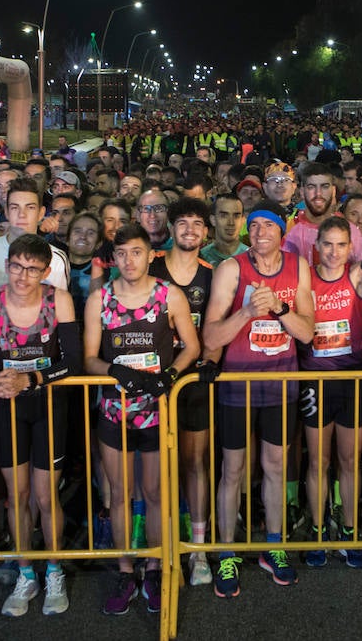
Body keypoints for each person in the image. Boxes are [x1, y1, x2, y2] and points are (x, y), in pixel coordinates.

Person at [0, 234, 80, 618]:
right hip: (9, 407)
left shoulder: (58, 299)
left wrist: (31, 380)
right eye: (16, 266)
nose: (23, 276)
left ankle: (55, 570)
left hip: (48, 406)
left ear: (45, 271)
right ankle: (26, 572)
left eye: (32, 269)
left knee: (46, 497)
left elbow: (73, 362)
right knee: (18, 496)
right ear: (7, 264)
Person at [202, 199, 315, 598]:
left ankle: (274, 545)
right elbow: (211, 338)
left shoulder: (297, 266)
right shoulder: (231, 269)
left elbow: (307, 333)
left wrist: (281, 307)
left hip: (279, 385)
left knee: (274, 465)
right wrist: (248, 311)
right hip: (237, 385)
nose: (261, 232)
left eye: (269, 225)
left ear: (282, 232)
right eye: (255, 226)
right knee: (232, 469)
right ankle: (228, 552)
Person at [84, 224, 199, 615]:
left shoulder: (169, 295)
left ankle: (153, 567)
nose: (129, 260)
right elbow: (88, 358)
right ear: (113, 258)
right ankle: (124, 569)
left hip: (157, 411)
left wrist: (171, 375)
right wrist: (115, 373)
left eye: (136, 252)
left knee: (154, 494)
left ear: (152, 254)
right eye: (121, 254)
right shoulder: (99, 298)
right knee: (119, 495)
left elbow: (192, 346)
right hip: (115, 412)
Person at [300, 207, 362, 569]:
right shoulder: (304, 278)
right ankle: (320, 529)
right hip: (314, 380)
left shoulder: (357, 278)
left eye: (341, 245)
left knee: (349, 462)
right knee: (318, 462)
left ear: (350, 247)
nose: (334, 252)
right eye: (328, 244)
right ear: (317, 246)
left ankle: (350, 531)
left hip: (352, 380)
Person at [147, 198, 218, 586]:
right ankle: (156, 549)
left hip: (192, 383)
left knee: (194, 464)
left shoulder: (212, 274)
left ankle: (198, 548)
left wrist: (210, 356)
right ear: (171, 227)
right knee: (154, 472)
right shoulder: (150, 266)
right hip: (152, 383)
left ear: (205, 231)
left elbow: (218, 325)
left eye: (197, 223)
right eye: (183, 222)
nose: (190, 229)